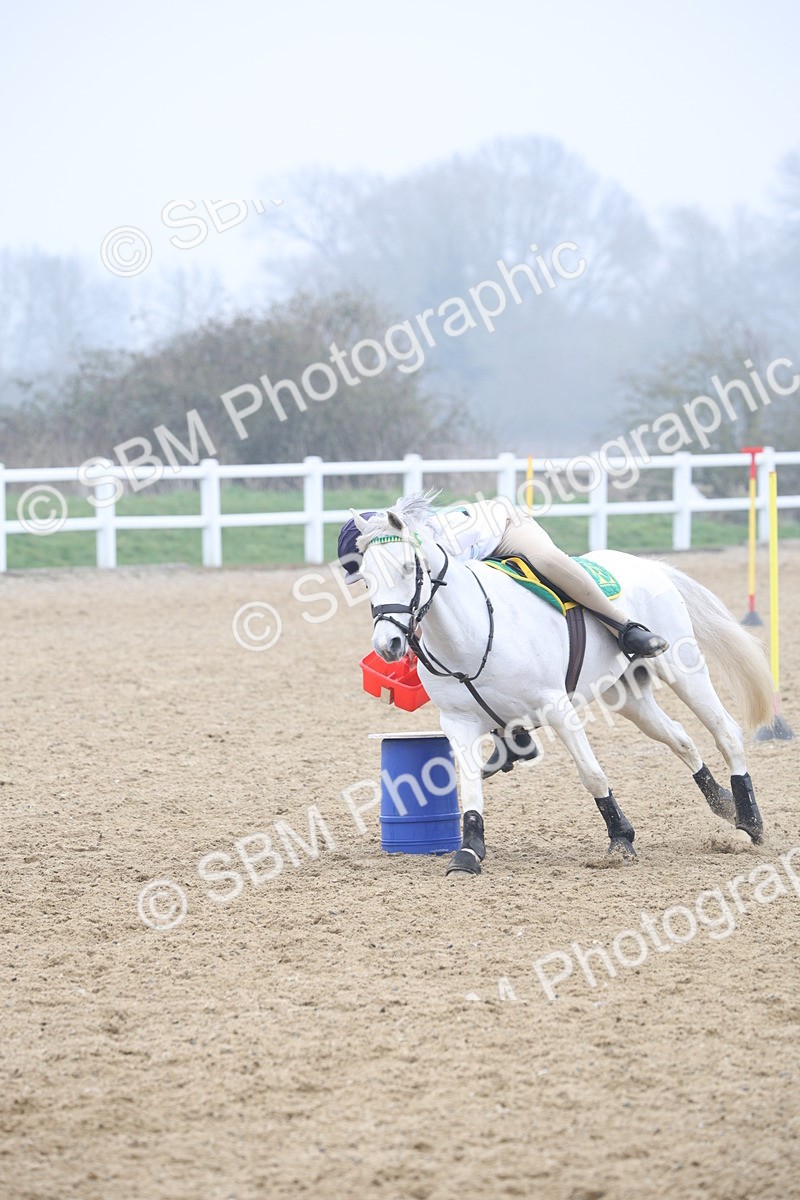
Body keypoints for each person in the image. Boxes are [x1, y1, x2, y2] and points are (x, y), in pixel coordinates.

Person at [337, 496, 668, 659]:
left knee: (547, 561)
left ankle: (626, 628)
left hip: (507, 529)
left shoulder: (426, 545)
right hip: (479, 557)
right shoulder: (403, 552)